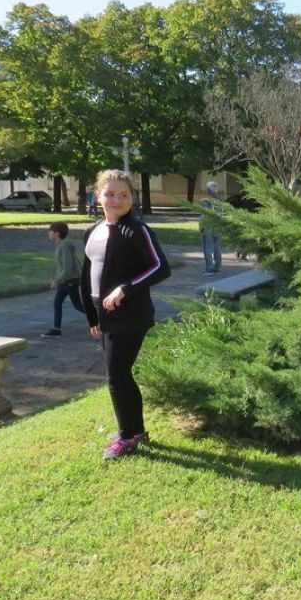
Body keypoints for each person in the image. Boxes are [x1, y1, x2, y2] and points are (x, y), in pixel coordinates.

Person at [80, 171, 171, 460]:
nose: (117, 200)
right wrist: (92, 317)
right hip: (105, 317)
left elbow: (160, 267)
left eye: (124, 195)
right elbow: (87, 274)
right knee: (121, 375)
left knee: (116, 376)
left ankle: (126, 437)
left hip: (130, 316)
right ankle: (136, 431)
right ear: (98, 196)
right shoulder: (94, 229)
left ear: (132, 198)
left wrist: (126, 289)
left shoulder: (137, 229)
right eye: (110, 194)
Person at [42, 222, 85, 338]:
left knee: (78, 306)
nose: (49, 233)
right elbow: (62, 267)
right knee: (57, 303)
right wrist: (59, 279)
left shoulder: (65, 246)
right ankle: (56, 330)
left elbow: (68, 267)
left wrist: (57, 280)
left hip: (70, 280)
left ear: (57, 233)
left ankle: (102, 319)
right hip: (65, 280)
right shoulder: (61, 245)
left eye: (50, 231)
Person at [200, 181, 222, 276]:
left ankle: (209, 268)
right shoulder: (220, 202)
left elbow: (204, 215)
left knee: (208, 247)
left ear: (208, 190)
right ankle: (217, 267)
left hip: (208, 226)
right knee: (217, 247)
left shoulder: (205, 202)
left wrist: (201, 225)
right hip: (218, 226)